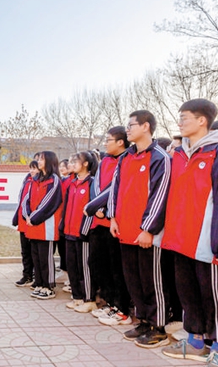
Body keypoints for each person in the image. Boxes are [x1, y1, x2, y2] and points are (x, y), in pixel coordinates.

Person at [160, 99, 218, 366]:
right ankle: (195, 341)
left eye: (185, 118)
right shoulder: (178, 154)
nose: (180, 122)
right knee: (188, 292)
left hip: (207, 241)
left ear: (202, 120)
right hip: (179, 238)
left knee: (213, 295)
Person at [108, 110, 172, 349]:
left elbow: (160, 195)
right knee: (133, 279)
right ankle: (143, 320)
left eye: (131, 125)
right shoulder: (125, 157)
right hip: (125, 230)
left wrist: (148, 229)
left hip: (146, 233)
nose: (127, 129)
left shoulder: (159, 157)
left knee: (152, 281)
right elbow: (115, 189)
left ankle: (158, 326)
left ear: (146, 126)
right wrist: (113, 218)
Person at [84, 126, 132, 326]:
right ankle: (109, 302)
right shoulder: (104, 162)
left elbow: (116, 188)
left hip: (115, 222)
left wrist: (102, 209)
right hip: (98, 221)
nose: (105, 143)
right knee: (97, 264)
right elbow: (96, 188)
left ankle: (122, 308)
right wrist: (96, 207)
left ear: (120, 142)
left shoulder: (126, 160)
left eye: (108, 140)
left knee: (116, 268)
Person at [60, 152, 98, 313]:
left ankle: (89, 299)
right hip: (69, 232)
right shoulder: (72, 183)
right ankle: (77, 297)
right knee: (72, 266)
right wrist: (63, 226)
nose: (72, 164)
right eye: (70, 161)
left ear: (86, 164)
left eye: (75, 161)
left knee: (85, 268)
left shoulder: (92, 183)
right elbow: (66, 207)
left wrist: (85, 231)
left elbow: (93, 208)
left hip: (83, 234)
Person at [22, 151, 63, 300]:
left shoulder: (54, 180)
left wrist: (33, 217)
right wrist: (27, 215)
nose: (38, 161)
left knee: (46, 258)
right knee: (36, 257)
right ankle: (39, 283)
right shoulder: (35, 179)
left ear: (50, 161)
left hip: (47, 226)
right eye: (38, 159)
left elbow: (49, 202)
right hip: (33, 226)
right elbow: (26, 199)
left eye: (42, 159)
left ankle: (49, 286)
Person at [12, 160, 40, 287]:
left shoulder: (40, 182)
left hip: (33, 221)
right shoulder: (27, 180)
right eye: (31, 168)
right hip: (23, 221)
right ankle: (27, 275)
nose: (32, 171)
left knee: (34, 251)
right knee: (25, 251)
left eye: (35, 168)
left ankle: (36, 276)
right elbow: (22, 201)